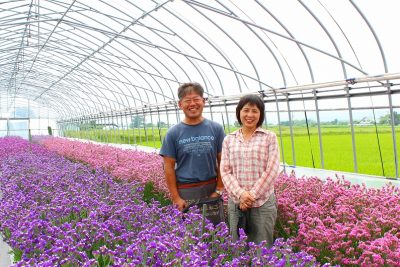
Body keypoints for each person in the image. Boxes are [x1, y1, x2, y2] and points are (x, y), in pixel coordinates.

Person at [220, 94, 280, 247]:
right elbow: (225, 171)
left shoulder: (269, 137)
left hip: (263, 203)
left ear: (260, 114)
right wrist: (241, 195)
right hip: (236, 203)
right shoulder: (229, 139)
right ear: (239, 112)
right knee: (238, 247)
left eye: (255, 111)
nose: (250, 115)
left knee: (262, 249)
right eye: (246, 110)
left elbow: (272, 170)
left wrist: (251, 196)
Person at [159, 82, 225, 216]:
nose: (192, 104)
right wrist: (176, 197)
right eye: (187, 101)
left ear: (204, 101)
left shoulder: (216, 129)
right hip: (185, 192)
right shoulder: (173, 133)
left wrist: (218, 189)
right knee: (188, 234)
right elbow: (168, 167)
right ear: (180, 104)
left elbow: (223, 161)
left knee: (216, 234)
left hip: (211, 189)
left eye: (196, 99)